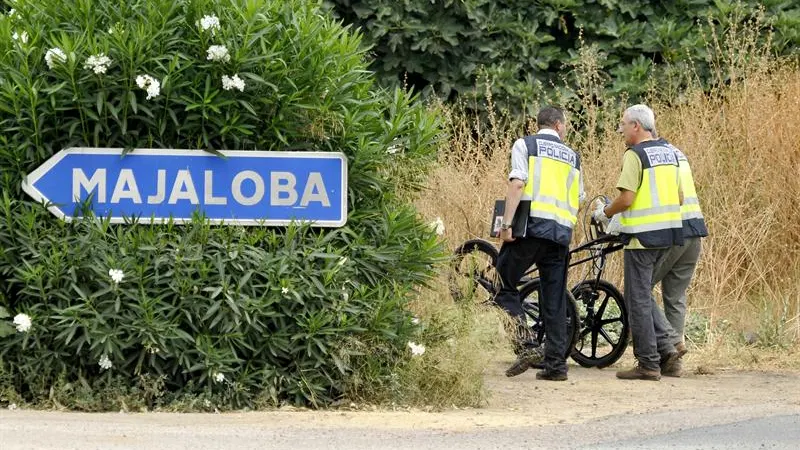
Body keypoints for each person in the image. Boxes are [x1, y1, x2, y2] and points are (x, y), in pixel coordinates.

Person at [592, 104, 683, 381]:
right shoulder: (670, 153)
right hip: (669, 236)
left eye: (623, 125)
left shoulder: (635, 155)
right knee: (643, 295)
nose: (621, 130)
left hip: (642, 238)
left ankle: (648, 363)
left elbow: (627, 198)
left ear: (636, 126)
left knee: (638, 300)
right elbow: (678, 197)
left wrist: (605, 212)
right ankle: (668, 348)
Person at [496, 106, 584, 380]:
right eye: (566, 125)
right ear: (558, 125)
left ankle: (527, 345)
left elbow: (517, 184)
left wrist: (506, 224)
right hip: (559, 235)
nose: (566, 128)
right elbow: (579, 197)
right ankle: (556, 366)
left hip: (530, 229)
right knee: (554, 299)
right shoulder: (572, 156)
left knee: (504, 282)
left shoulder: (525, 144)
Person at [649, 135, 708, 377]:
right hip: (695, 228)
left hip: (675, 231)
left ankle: (671, 341)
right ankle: (674, 364)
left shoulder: (652, 156)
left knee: (640, 288)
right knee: (675, 296)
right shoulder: (677, 152)